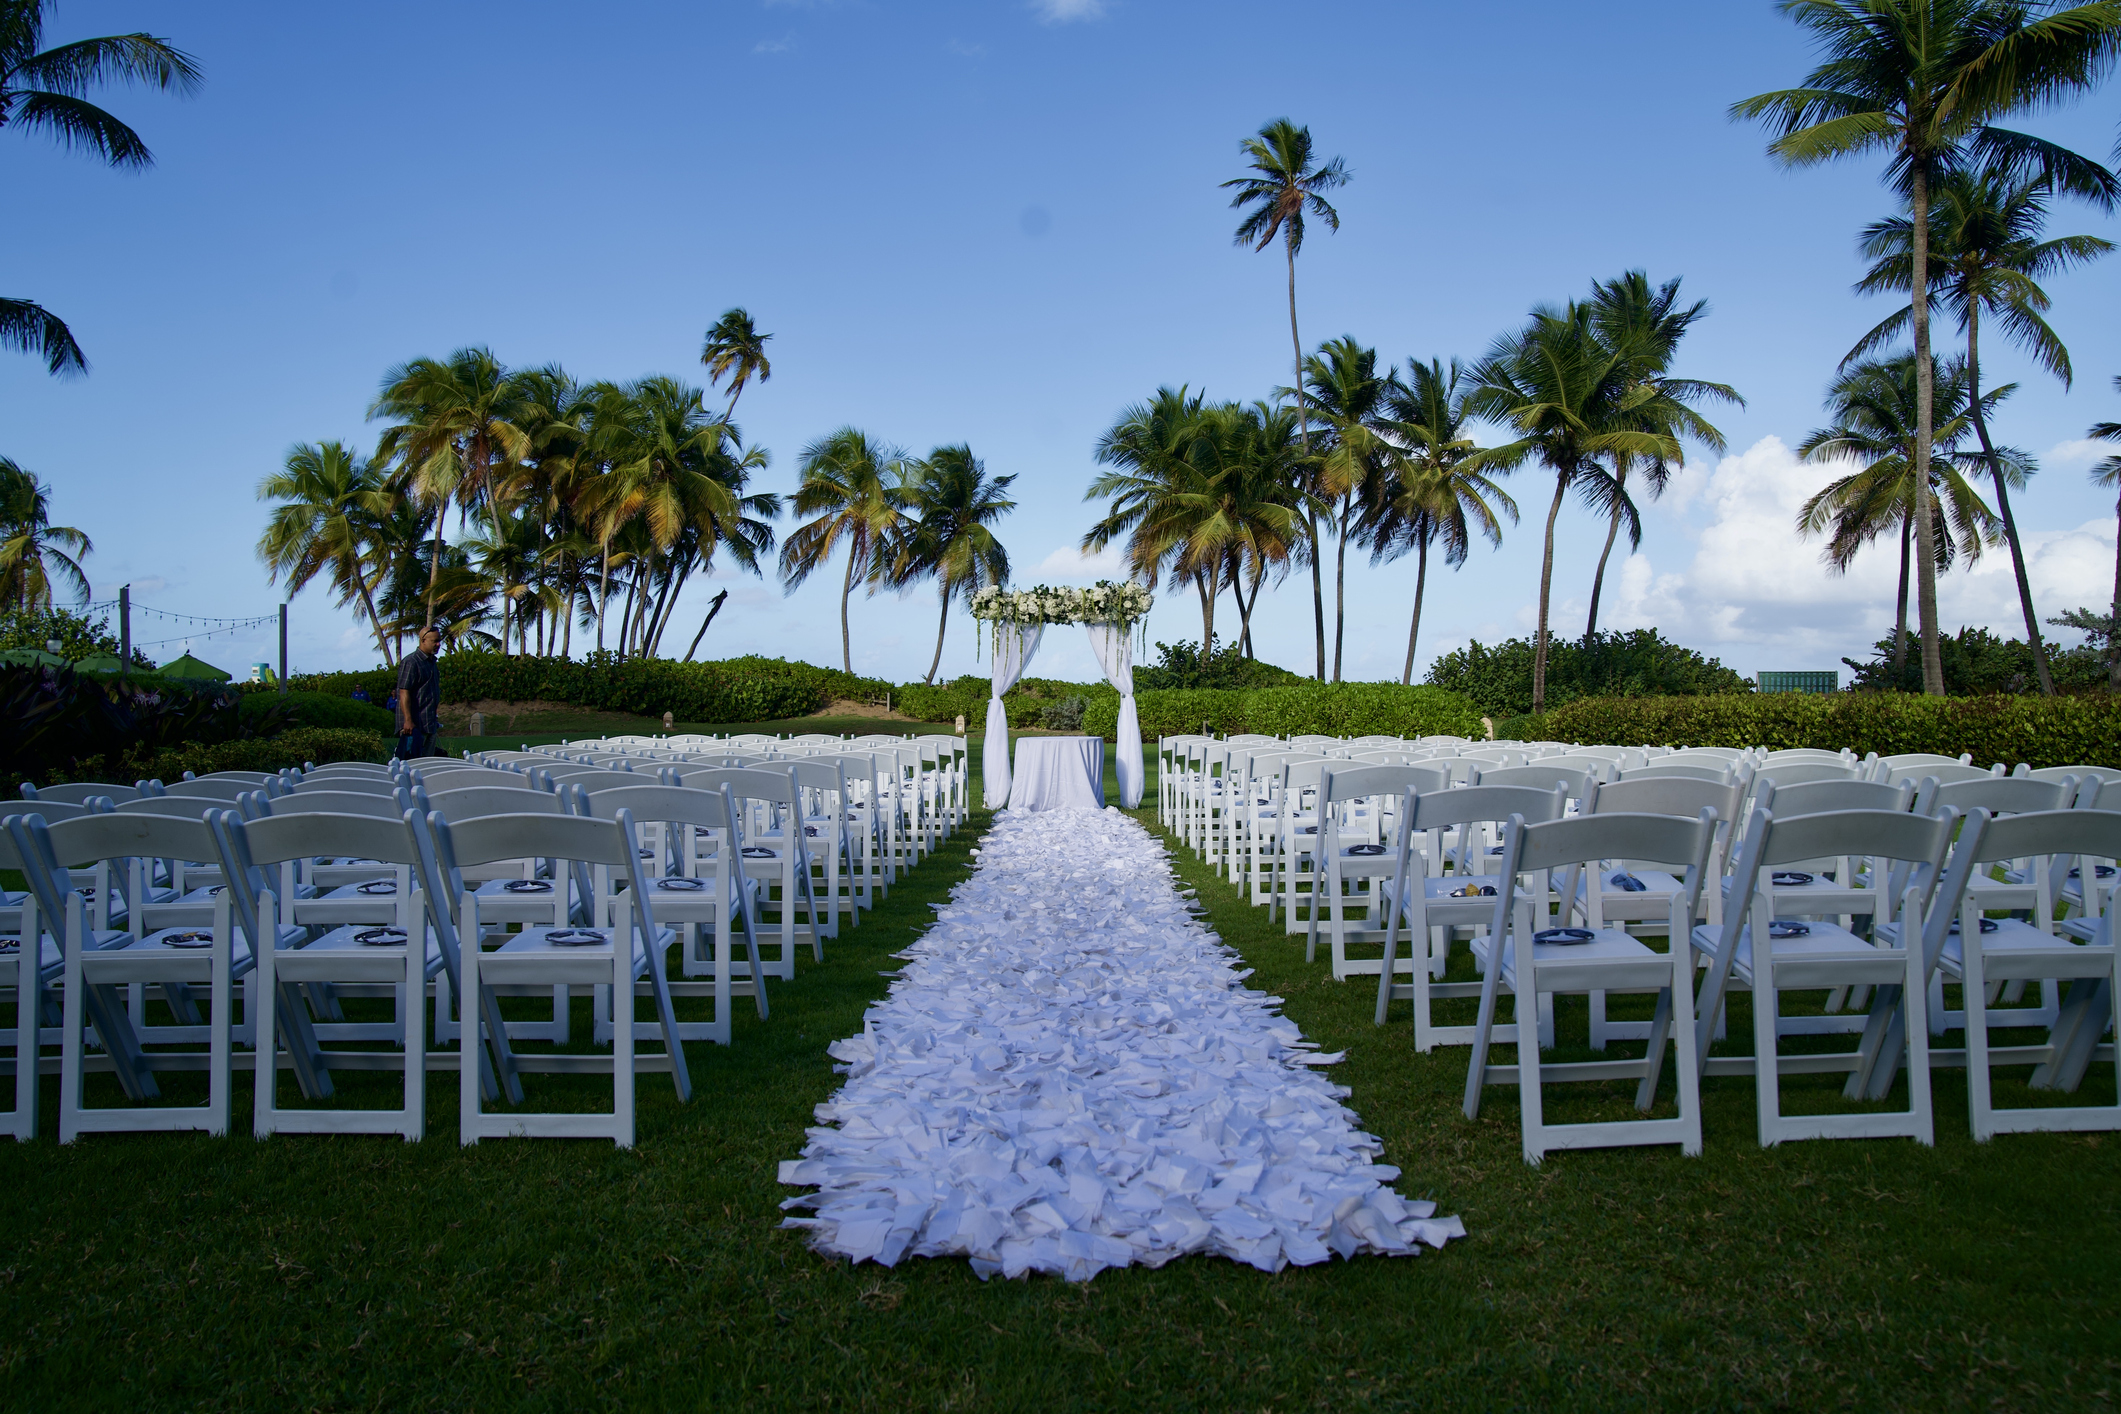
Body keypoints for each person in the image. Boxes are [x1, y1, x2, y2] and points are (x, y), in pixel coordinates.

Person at [394, 626, 442, 759]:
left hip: (429, 723)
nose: (438, 644)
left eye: (439, 641)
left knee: (427, 765)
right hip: (415, 725)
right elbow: (404, 692)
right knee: (412, 764)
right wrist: (408, 720)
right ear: (423, 640)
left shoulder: (431, 662)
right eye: (435, 641)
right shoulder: (411, 662)